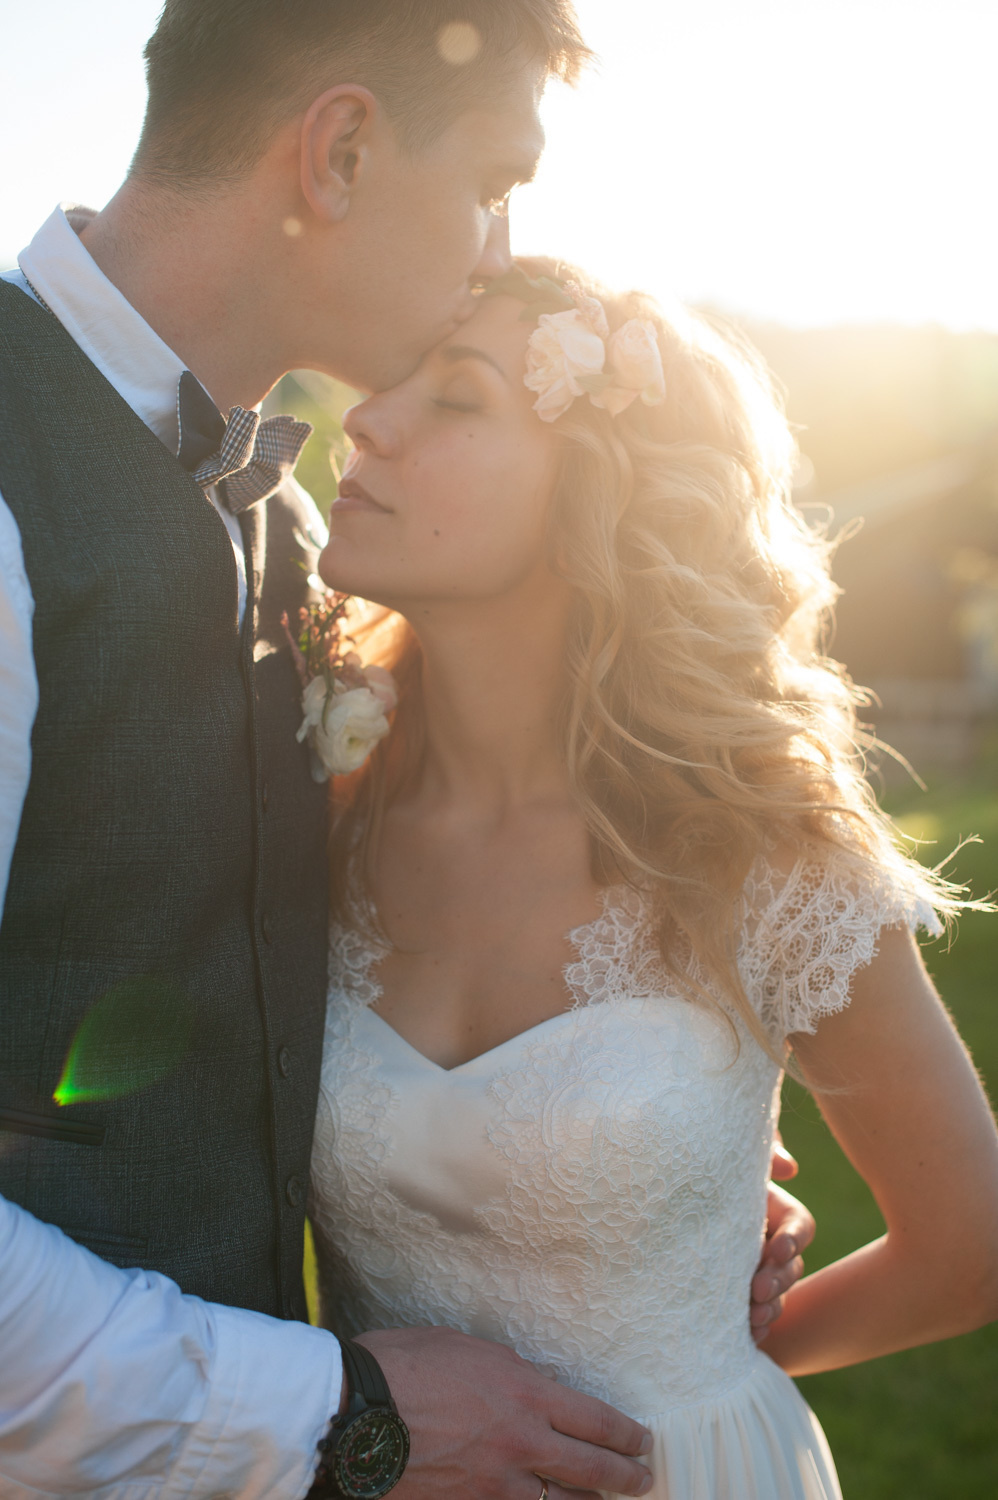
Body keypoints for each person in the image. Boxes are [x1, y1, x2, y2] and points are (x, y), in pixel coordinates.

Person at [0, 4, 810, 1497]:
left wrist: (640, 1173)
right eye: (495, 178)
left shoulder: (295, 538)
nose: (499, 248)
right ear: (344, 151)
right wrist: (321, 1410)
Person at [307, 262, 998, 1500]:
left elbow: (968, 1249)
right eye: (388, 385)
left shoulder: (767, 854)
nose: (361, 418)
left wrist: (689, 1359)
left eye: (455, 400)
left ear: (598, 498)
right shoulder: (310, 808)